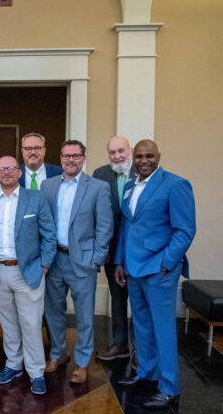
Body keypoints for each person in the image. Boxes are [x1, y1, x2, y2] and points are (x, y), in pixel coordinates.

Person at [115, 139, 196, 409]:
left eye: (150, 155)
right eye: (139, 156)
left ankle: (169, 387)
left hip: (160, 267)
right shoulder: (130, 186)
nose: (144, 160)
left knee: (163, 328)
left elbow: (185, 230)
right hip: (133, 266)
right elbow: (127, 227)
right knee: (142, 324)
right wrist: (119, 262)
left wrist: (167, 261)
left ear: (159, 156)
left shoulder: (175, 184)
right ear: (133, 159)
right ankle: (146, 373)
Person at [0, 156, 56, 396]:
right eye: (1, 169)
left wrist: (43, 266)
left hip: (28, 271)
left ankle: (36, 372)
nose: (7, 172)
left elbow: (49, 235)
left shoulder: (36, 198)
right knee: (8, 324)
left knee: (31, 324)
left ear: (19, 173)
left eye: (11, 168)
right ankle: (13, 364)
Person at [41, 139, 113, 384]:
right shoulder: (47, 185)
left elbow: (105, 226)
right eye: (66, 155)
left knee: (83, 315)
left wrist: (96, 259)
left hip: (83, 261)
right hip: (54, 260)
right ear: (60, 158)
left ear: (83, 158)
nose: (70, 160)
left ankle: (82, 362)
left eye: (75, 155)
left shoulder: (98, 187)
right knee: (53, 312)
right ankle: (57, 354)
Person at [92, 136, 137, 364]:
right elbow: (96, 214)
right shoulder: (100, 174)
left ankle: (141, 351)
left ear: (130, 150)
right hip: (111, 250)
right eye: (112, 152)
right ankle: (120, 343)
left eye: (121, 151)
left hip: (138, 252)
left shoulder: (144, 171)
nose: (117, 156)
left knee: (140, 302)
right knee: (117, 298)